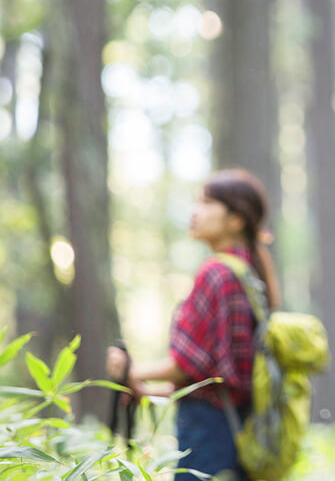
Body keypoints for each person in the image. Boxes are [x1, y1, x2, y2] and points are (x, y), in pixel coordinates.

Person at [107, 168, 280, 481]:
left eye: (207, 203)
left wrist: (130, 372)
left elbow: (191, 364)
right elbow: (216, 374)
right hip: (239, 425)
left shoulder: (216, 273)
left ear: (235, 220)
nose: (195, 212)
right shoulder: (248, 274)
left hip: (206, 430)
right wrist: (149, 389)